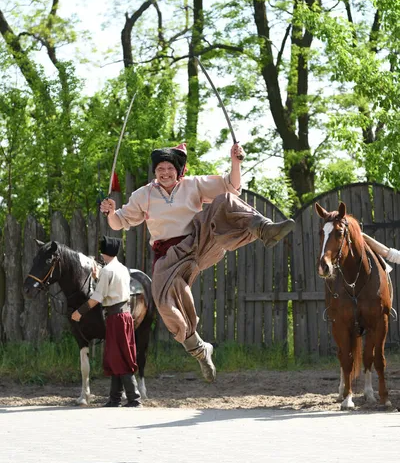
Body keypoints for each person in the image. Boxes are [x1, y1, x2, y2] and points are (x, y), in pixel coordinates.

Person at [100, 142, 295, 383]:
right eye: (160, 168)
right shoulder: (143, 195)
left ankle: (264, 229)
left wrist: (236, 162)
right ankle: (200, 350)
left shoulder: (193, 184)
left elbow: (232, 187)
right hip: (168, 257)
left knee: (224, 200)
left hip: (198, 242)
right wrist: (110, 212)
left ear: (179, 170)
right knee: (163, 302)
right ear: (154, 171)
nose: (165, 173)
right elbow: (119, 223)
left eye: (170, 168)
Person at [71, 236, 141, 408]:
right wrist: (97, 277)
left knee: (120, 357)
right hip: (124, 316)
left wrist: (79, 312)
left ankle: (134, 398)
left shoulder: (107, 271)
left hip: (116, 318)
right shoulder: (123, 268)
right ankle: (115, 399)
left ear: (103, 253)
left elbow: (97, 297)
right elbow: (112, 289)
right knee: (116, 356)